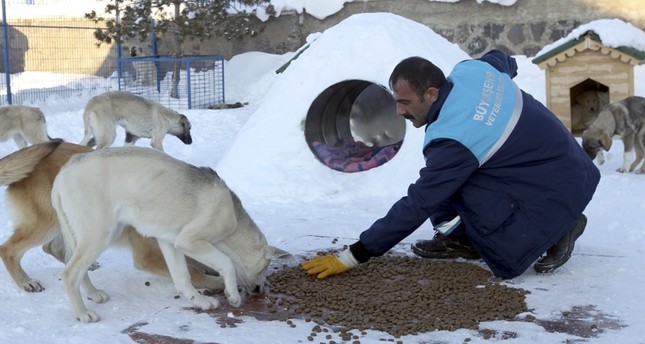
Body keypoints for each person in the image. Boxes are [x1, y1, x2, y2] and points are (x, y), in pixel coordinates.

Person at [302, 49, 600, 280]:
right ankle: (464, 240)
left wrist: (353, 256)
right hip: (566, 164)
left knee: (454, 195)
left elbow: (418, 203)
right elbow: (504, 60)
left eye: (405, 102)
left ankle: (562, 227)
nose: (398, 110)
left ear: (431, 94)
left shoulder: (454, 140)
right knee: (453, 184)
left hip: (550, 181)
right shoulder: (473, 71)